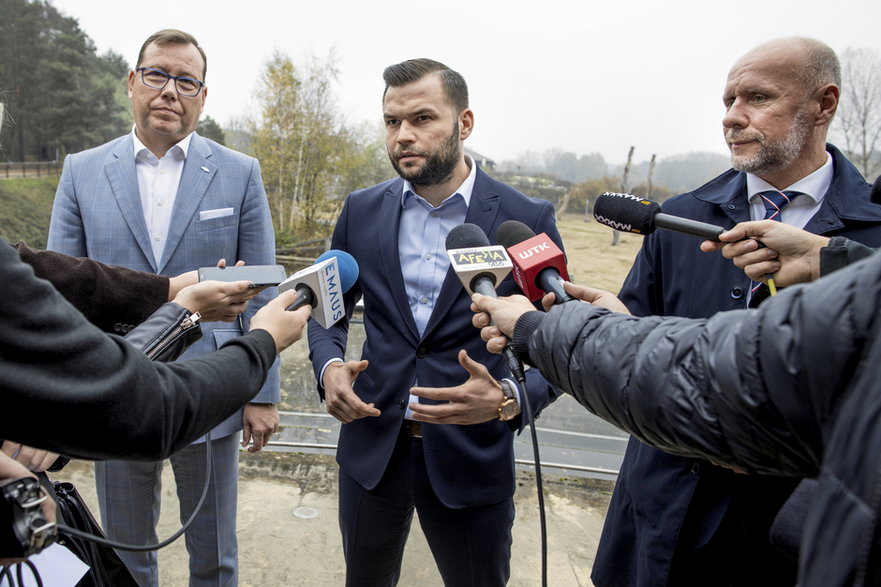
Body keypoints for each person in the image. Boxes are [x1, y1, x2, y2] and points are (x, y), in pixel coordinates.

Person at [590, 37, 881, 586]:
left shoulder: (874, 239)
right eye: (728, 101)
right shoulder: (678, 217)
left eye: (757, 98)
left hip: (788, 538)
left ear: (825, 103)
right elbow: (631, 333)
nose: (733, 117)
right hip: (659, 519)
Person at [468, 237, 881, 586]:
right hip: (654, 523)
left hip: (778, 546)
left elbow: (711, 387)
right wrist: (840, 259)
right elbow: (641, 331)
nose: (730, 133)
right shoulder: (679, 219)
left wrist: (533, 329)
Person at [306, 58, 562, 586]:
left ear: (464, 124)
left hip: (472, 458)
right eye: (391, 121)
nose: (403, 135)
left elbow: (561, 346)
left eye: (422, 119)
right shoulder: (360, 210)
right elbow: (325, 309)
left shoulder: (524, 218)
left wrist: (510, 399)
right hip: (370, 448)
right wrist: (329, 364)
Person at [46, 29, 279, 586]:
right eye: (157, 75)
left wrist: (261, 394)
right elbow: (61, 292)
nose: (169, 91)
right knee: (127, 549)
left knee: (215, 552)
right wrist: (66, 394)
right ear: (132, 82)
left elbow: (266, 287)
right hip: (116, 383)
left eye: (186, 81)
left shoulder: (239, 172)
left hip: (211, 389)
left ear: (202, 95)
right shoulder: (82, 170)